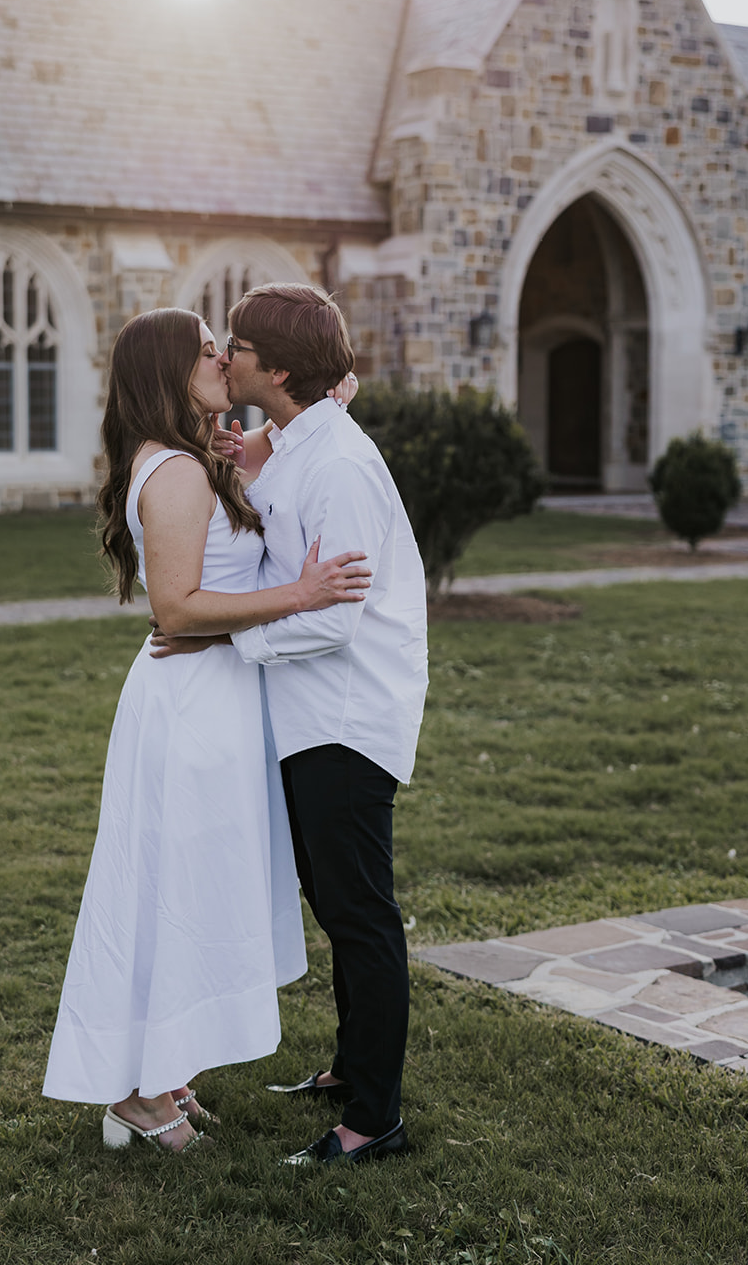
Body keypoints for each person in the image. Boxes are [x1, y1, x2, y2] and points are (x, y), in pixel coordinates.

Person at [42, 306, 371, 1153]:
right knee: (171, 894)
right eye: (204, 351)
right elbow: (176, 607)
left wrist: (324, 401)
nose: (222, 358)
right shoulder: (180, 475)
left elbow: (196, 606)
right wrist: (300, 595)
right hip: (190, 706)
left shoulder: (197, 459)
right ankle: (138, 1098)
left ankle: (166, 1074)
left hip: (216, 696)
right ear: (167, 373)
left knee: (190, 892)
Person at [152, 284, 428, 1166]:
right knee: (336, 905)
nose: (221, 355)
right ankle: (350, 1069)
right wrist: (245, 462)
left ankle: (373, 1118)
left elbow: (336, 615)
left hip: (345, 716)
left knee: (360, 914)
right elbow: (278, 533)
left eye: (233, 345)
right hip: (305, 712)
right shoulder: (299, 442)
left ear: (274, 369)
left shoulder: (339, 463)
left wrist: (224, 636)